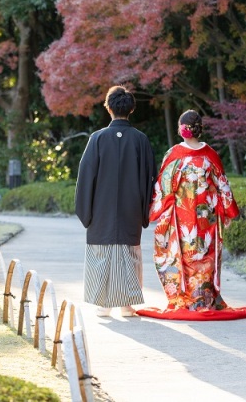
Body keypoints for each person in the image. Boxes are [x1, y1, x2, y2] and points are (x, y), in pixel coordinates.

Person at [136, 110, 246, 321]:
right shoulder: (210, 155)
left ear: (181, 129)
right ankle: (204, 300)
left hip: (181, 216)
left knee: (183, 255)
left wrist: (153, 210)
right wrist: (227, 212)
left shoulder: (174, 155)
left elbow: (162, 188)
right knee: (205, 255)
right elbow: (223, 185)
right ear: (199, 129)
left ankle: (184, 300)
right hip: (208, 217)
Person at [75, 85, 156, 317]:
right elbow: (150, 176)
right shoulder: (140, 140)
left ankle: (104, 304)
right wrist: (144, 210)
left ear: (108, 108)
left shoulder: (97, 138)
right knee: (129, 254)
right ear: (130, 109)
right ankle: (127, 305)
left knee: (102, 253)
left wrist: (86, 211)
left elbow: (85, 176)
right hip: (131, 208)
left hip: (101, 209)